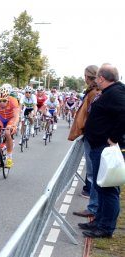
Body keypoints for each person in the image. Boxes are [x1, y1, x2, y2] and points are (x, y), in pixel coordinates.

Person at [80, 63, 125, 238]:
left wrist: (112, 138)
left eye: (98, 78)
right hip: (99, 146)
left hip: (105, 148)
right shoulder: (110, 92)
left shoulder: (116, 92)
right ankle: (99, 220)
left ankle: (106, 227)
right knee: (100, 186)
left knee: (108, 189)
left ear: (101, 78)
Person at [69, 65, 101, 218]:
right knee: (94, 173)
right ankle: (94, 206)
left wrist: (82, 129)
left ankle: (94, 207)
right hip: (92, 135)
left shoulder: (93, 93)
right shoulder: (94, 92)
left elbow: (91, 115)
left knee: (93, 173)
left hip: (92, 136)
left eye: (85, 76)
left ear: (89, 77)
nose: (84, 79)